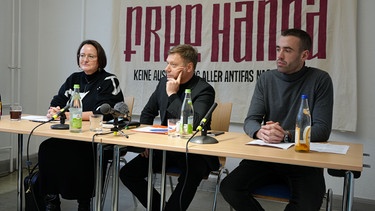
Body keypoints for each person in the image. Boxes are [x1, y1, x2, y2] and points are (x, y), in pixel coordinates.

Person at [220, 28, 334, 211]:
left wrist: (285, 135)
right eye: (278, 49)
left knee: (307, 204)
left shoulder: (320, 80)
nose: (280, 55)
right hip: (267, 156)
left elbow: (322, 129)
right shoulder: (266, 78)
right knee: (229, 188)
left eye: (287, 50)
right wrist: (259, 131)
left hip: (302, 160)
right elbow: (251, 120)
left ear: (304, 55)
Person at [119, 44, 219, 211]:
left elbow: (192, 125)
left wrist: (173, 94)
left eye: (173, 65)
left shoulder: (204, 90)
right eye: (167, 63)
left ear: (189, 67)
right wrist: (145, 142)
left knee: (191, 174)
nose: (166, 69)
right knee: (127, 173)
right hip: (166, 146)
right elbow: (147, 113)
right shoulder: (162, 83)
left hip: (193, 150)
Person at [38, 39, 124, 211]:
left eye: (90, 56)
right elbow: (58, 100)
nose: (85, 59)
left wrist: (71, 114)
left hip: (97, 138)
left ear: (100, 59)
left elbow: (103, 112)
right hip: (72, 134)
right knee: (46, 148)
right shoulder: (74, 79)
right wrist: (54, 110)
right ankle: (52, 199)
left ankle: (84, 203)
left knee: (79, 153)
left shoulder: (109, 80)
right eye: (82, 55)